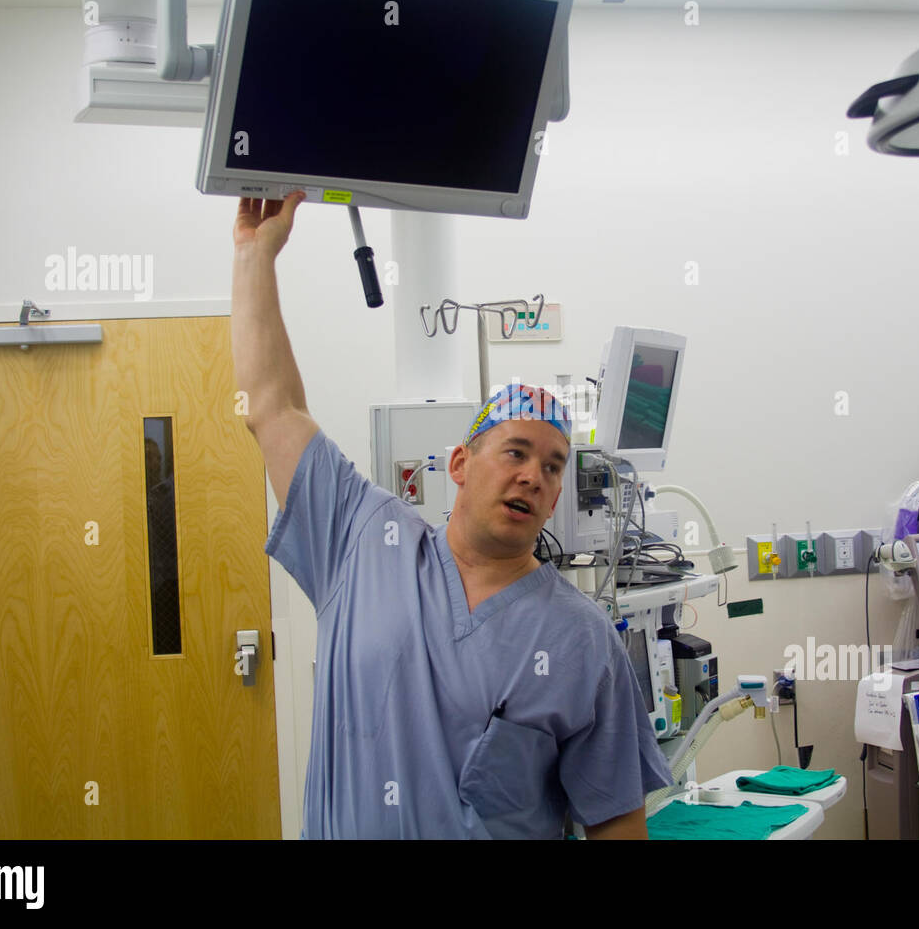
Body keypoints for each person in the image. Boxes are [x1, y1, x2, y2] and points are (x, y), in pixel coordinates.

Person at [231, 192, 672, 838]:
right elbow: (271, 407)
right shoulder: (361, 540)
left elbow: (616, 824)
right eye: (515, 452)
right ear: (460, 464)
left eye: (553, 467)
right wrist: (255, 256)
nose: (532, 475)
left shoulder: (581, 641)